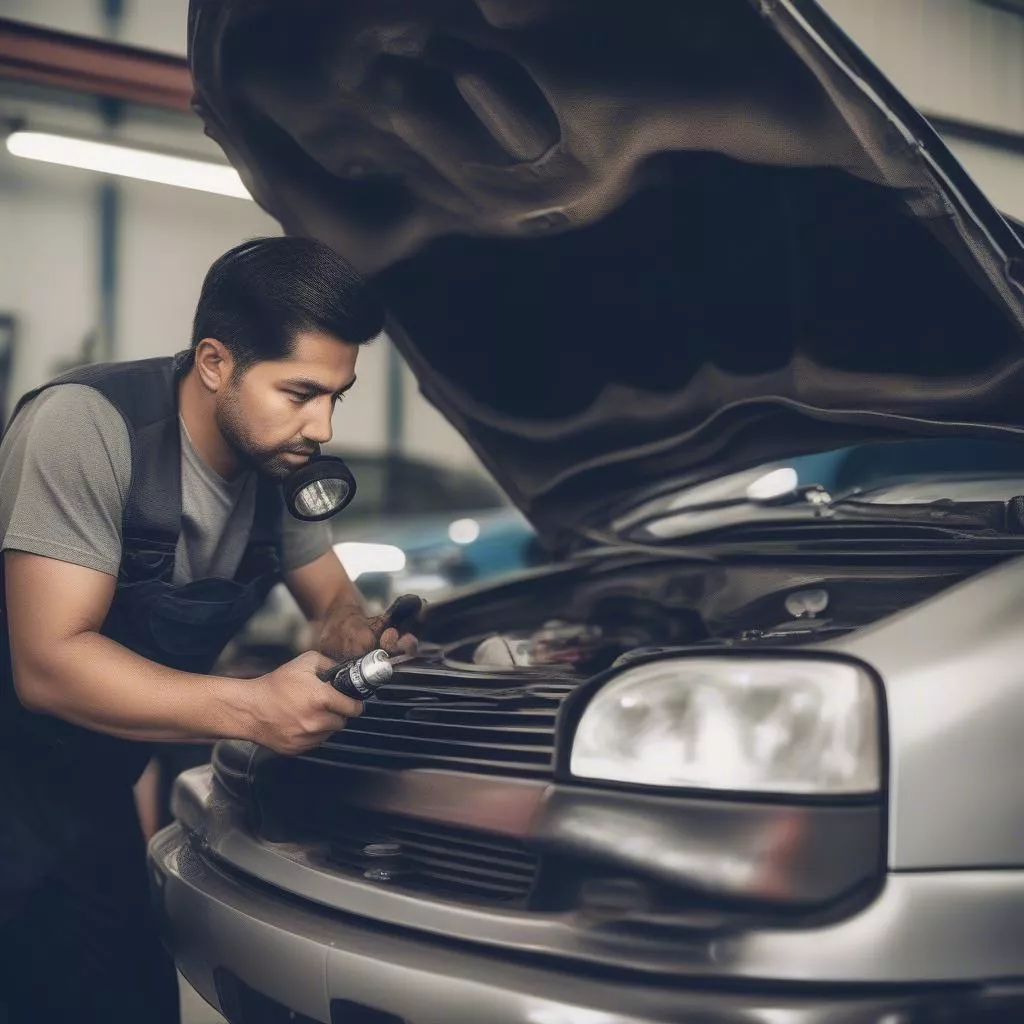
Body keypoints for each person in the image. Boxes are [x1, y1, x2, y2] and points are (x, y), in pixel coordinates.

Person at [0, 236, 419, 1023]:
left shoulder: (277, 466)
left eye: (337, 396)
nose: (323, 426)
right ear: (216, 362)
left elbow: (331, 601)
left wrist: (354, 634)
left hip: (91, 792)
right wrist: (251, 707)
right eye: (300, 393)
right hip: (10, 770)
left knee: (125, 1000)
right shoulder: (88, 427)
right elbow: (48, 665)